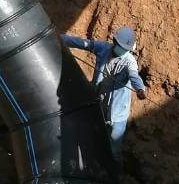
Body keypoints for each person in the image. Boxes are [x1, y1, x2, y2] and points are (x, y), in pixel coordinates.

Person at [61, 25, 147, 157]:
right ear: (114, 42)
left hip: (116, 116)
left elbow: (134, 76)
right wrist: (61, 39)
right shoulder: (103, 48)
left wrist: (140, 89)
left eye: (126, 49)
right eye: (121, 47)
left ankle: (114, 173)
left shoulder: (129, 62)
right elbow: (84, 43)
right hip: (99, 107)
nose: (122, 51)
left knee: (113, 150)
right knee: (94, 140)